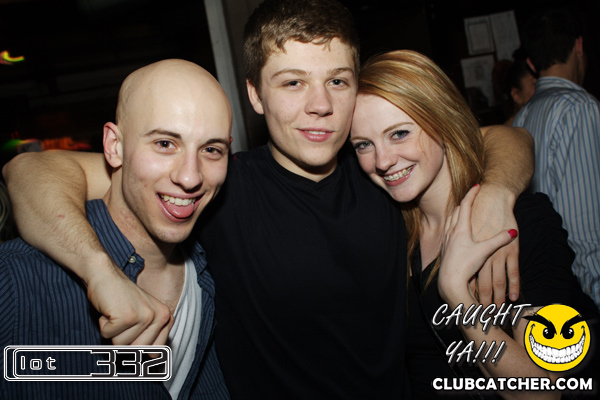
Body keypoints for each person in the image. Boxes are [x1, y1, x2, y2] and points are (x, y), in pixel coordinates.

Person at [3, 0, 534, 397]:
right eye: (293, 83)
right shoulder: (215, 182)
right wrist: (98, 271)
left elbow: (503, 138)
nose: (320, 105)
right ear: (255, 95)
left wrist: (498, 192)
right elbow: (29, 170)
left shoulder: (383, 172)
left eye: (338, 81)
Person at [350, 49, 599, 399]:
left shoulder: (517, 223)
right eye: (363, 144)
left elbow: (541, 392)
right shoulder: (390, 230)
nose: (382, 160)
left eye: (399, 133)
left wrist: (457, 293)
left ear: (441, 120)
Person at [0, 59, 232, 399]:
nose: (189, 176)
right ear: (114, 146)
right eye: (165, 144)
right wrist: (99, 271)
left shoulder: (213, 274)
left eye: (211, 150)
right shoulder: (17, 279)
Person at [513, 9, 600, 310]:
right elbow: (585, 226)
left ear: (531, 63)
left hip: (545, 285)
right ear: (579, 46)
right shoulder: (580, 108)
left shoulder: (522, 116)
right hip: (581, 290)